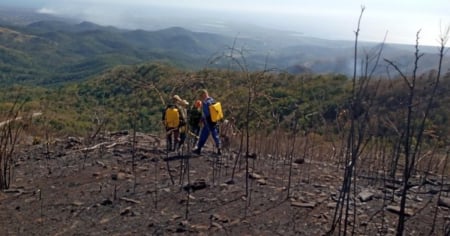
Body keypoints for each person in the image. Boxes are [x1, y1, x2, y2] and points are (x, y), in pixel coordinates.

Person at [192, 89, 221, 155]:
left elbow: (206, 114)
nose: (201, 98)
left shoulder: (205, 103)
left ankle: (198, 149)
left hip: (208, 122)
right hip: (214, 121)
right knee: (215, 135)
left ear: (204, 95)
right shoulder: (212, 100)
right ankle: (219, 148)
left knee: (203, 135)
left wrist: (202, 120)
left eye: (201, 96)